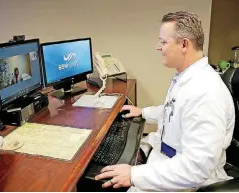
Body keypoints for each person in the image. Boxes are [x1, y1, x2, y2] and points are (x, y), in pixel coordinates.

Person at [95, 11, 235, 191]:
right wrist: (144, 112)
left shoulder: (205, 93)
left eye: (163, 41)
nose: (158, 47)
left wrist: (134, 175)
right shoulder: (186, 76)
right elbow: (175, 110)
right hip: (167, 160)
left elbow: (195, 168)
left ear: (184, 44)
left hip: (187, 181)